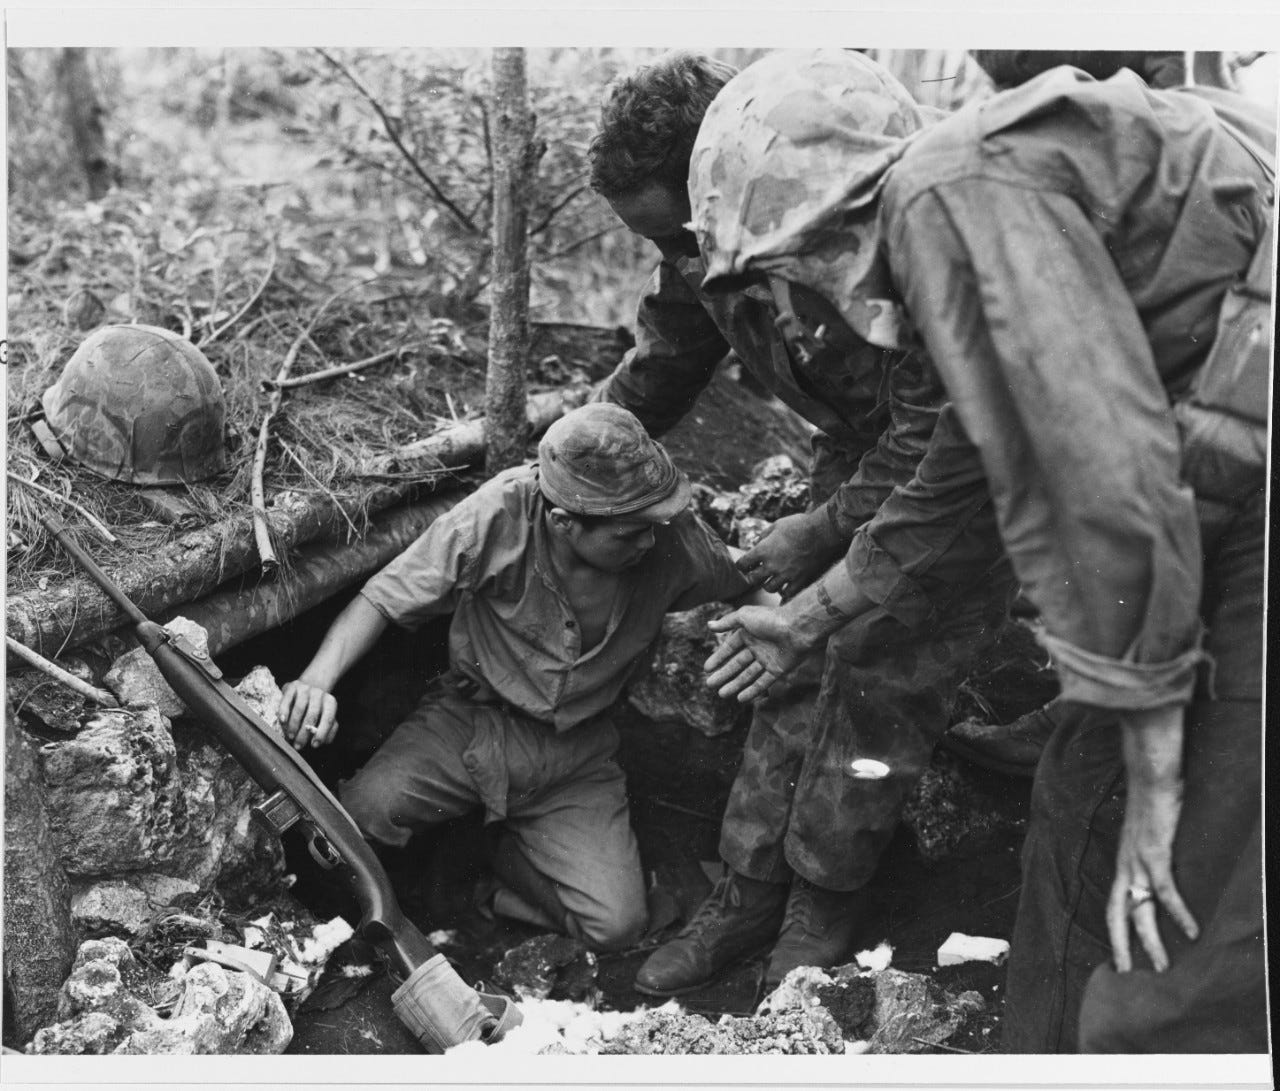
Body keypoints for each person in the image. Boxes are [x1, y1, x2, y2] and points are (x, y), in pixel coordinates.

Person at [686, 47, 1272, 1051]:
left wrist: (1154, 743)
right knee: (1083, 804)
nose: (814, 295)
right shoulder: (956, 212)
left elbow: (1110, 479)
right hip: (1219, 482)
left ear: (835, 217)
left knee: (1133, 873)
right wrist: (800, 621)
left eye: (797, 263)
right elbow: (948, 480)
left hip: (1238, 506)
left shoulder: (943, 206)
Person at [589, 49, 1018, 996]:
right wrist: (581, 445)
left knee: (883, 666)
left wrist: (822, 532)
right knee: (782, 662)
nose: (684, 265)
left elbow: (939, 461)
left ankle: (827, 895)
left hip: (960, 472)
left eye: (682, 239)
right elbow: (665, 355)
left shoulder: (895, 238)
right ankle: (746, 888)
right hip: (867, 450)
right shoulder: (710, 241)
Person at [277, 403, 755, 951]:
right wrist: (317, 679)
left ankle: (488, 870)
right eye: (628, 534)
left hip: (577, 751)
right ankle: (435, 858)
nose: (649, 543)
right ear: (564, 523)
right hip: (467, 725)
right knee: (352, 827)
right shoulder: (498, 514)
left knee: (618, 927)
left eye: (653, 526)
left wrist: (778, 627)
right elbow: (383, 598)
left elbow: (745, 579)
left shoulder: (664, 534)